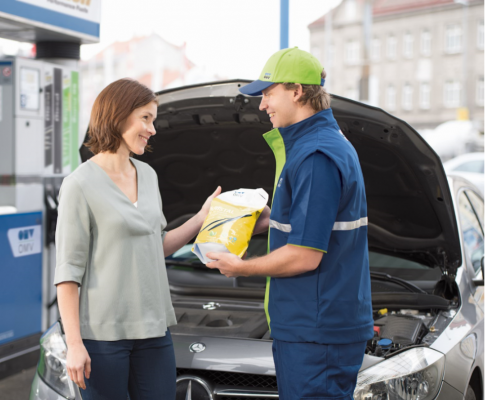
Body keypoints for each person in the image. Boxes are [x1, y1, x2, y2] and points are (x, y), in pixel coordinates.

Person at [206, 47, 373, 399]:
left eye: (268, 94)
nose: (262, 105)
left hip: (317, 331)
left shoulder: (315, 155)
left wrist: (242, 266)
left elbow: (304, 256)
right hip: (313, 325)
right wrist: (268, 221)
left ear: (297, 91)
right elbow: (314, 223)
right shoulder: (318, 145)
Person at [53, 78, 224, 400]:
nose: (153, 128)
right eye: (145, 118)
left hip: (153, 328)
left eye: (153, 119)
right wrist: (74, 344)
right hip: (103, 335)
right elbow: (68, 271)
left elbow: (154, 245)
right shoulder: (79, 185)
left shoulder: (147, 175)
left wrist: (200, 219)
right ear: (118, 116)